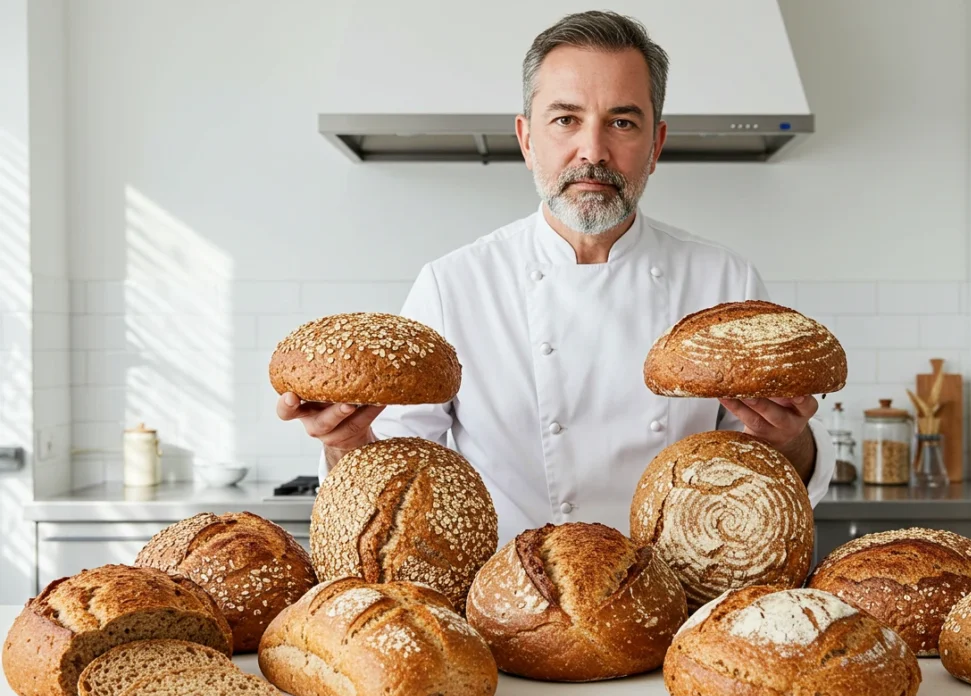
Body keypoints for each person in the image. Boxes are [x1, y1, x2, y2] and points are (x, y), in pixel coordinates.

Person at [277, 10, 834, 545]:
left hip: (674, 607)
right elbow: (387, 490)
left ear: (656, 145)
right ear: (525, 138)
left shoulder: (725, 281)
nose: (592, 151)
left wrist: (792, 439)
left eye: (622, 122)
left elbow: (765, 482)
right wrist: (346, 442)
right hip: (505, 606)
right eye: (566, 119)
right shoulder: (454, 285)